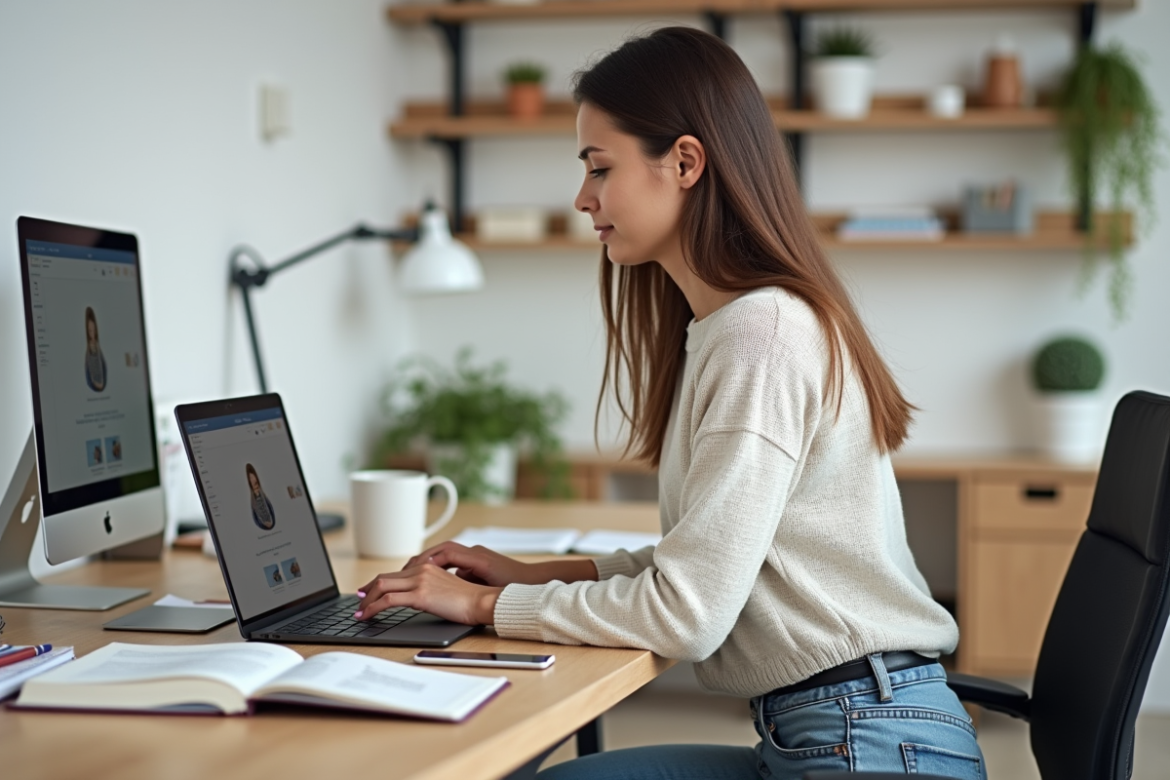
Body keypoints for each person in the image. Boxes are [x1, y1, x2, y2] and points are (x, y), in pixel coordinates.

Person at [354, 27, 984, 779]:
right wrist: (527, 576)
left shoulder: (762, 335)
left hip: (870, 747)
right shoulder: (733, 325)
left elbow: (687, 611)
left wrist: (484, 609)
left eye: (599, 167)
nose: (583, 198)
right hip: (836, 730)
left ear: (685, 162)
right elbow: (706, 561)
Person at [246, 463, 276, 531]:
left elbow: (268, 508)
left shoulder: (263, 495)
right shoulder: (253, 500)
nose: (253, 481)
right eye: (251, 480)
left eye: (255, 482)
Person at [83, 306, 107, 392]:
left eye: (94, 330)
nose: (92, 334)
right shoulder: (88, 352)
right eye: (90, 331)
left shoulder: (98, 347)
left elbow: (103, 365)